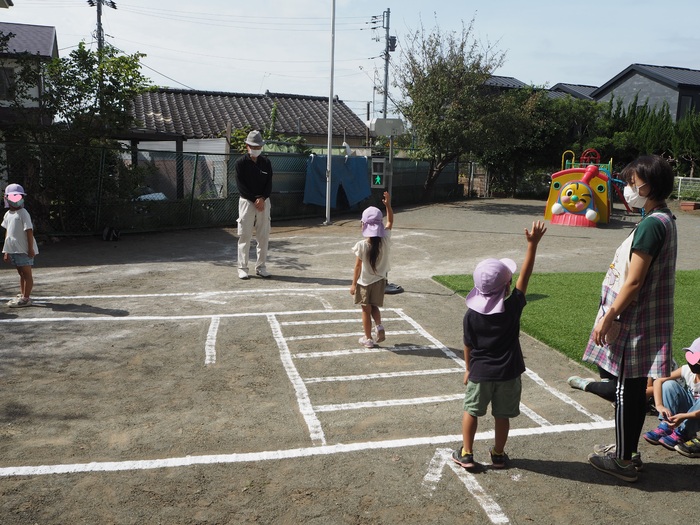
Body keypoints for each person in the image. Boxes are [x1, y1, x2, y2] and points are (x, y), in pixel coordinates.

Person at [584, 155, 677, 483]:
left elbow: (634, 281)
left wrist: (609, 316)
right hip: (647, 317)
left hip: (634, 319)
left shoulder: (652, 225)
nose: (627, 188)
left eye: (632, 183)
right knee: (634, 388)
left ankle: (623, 461)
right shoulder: (664, 218)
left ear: (649, 186)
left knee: (626, 390)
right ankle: (629, 451)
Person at [452, 220, 546, 469]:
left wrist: (468, 369)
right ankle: (498, 454)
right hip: (509, 373)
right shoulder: (512, 307)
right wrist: (532, 245)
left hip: (480, 373)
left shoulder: (471, 315)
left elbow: (468, 345)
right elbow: (525, 277)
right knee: (502, 415)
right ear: (506, 287)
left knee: (471, 411)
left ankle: (467, 453)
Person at [642, 337, 700, 456]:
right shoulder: (687, 370)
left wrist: (684, 417)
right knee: (669, 384)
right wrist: (659, 405)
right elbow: (659, 381)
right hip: (689, 411)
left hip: (696, 415)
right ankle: (667, 426)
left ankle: (683, 432)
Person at [350, 192, 393, 348]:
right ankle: (379, 326)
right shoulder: (385, 239)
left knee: (365, 310)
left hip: (365, 283)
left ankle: (368, 339)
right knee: (374, 306)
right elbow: (390, 221)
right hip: (380, 281)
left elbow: (357, 267)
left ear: (364, 225)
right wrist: (388, 205)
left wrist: (353, 284)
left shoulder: (362, 245)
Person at [235, 130, 273, 280]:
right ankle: (242, 268)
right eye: (253, 147)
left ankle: (261, 267)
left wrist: (263, 198)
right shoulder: (240, 163)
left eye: (259, 147)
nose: (256, 149)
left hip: (264, 202)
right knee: (245, 235)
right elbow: (241, 186)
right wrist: (254, 199)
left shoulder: (266, 163)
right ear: (247, 146)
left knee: (263, 236)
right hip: (247, 201)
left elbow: (269, 183)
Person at [2, 183, 39, 308]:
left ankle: (26, 298)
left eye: (18, 196)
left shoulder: (23, 213)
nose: (16, 200)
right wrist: (6, 250)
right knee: (21, 274)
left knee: (27, 274)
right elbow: (8, 232)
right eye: (12, 197)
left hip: (24, 250)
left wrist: (30, 249)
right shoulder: (8, 214)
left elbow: (29, 231)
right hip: (14, 249)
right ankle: (23, 294)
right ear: (6, 198)